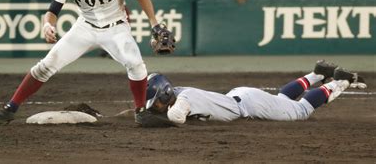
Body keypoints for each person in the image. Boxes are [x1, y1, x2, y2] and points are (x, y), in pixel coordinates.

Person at [0, 0, 168, 127]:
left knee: (136, 65)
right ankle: (10, 108)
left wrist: (154, 23)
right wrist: (48, 24)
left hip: (116, 28)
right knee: (46, 65)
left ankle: (141, 111)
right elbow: (53, 10)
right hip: (85, 27)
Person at [145, 61, 367, 124]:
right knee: (282, 99)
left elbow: (176, 118)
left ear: (165, 94)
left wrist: (152, 118)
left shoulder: (182, 99)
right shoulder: (180, 92)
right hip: (242, 97)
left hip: (248, 105)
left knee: (301, 111)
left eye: (156, 103)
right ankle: (317, 74)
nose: (157, 108)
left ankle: (337, 82)